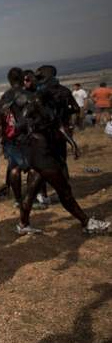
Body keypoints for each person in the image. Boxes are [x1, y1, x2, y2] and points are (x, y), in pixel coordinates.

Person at [13, 76, 110, 235]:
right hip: (42, 155)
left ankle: (23, 224)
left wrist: (72, 144)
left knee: (30, 193)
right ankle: (86, 222)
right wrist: (29, 131)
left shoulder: (48, 107)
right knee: (64, 191)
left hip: (42, 154)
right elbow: (19, 126)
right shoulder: (31, 107)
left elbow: (59, 126)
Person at [0, 68, 29, 207]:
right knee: (32, 167)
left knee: (14, 168)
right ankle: (39, 195)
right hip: (27, 136)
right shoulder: (27, 95)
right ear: (22, 79)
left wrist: (2, 136)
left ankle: (18, 199)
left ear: (9, 80)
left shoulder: (5, 96)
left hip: (9, 138)